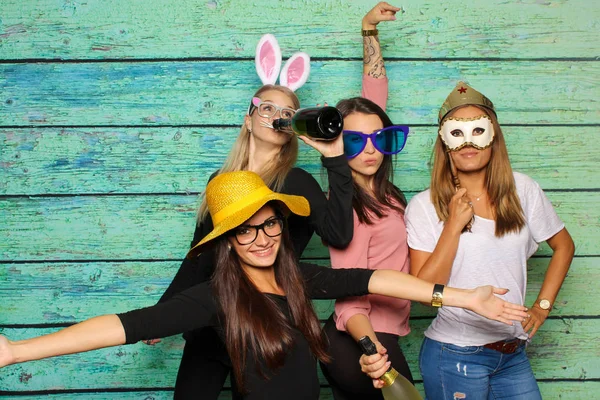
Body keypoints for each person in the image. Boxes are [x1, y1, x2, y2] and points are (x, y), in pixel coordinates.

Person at [0, 171, 529, 400]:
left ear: (282, 224)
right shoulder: (216, 297)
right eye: (244, 230)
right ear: (227, 241)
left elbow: (375, 277)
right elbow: (126, 326)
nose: (260, 238)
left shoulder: (298, 280)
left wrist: (461, 296)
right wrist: (19, 350)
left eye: (269, 223)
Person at [157, 32, 400, 398]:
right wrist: (163, 314)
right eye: (268, 108)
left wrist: (334, 158)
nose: (277, 116)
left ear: (291, 130)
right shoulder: (220, 182)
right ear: (249, 118)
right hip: (211, 318)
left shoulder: (296, 181)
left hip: (265, 324)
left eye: (287, 113)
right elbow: (198, 256)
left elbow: (340, 234)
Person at [360, 82, 575, 399]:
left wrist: (542, 307)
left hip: (512, 353)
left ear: (493, 136)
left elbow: (564, 246)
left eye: (478, 129)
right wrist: (453, 226)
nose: (468, 143)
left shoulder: (524, 191)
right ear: (445, 142)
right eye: (457, 133)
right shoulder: (423, 206)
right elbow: (424, 291)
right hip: (455, 354)